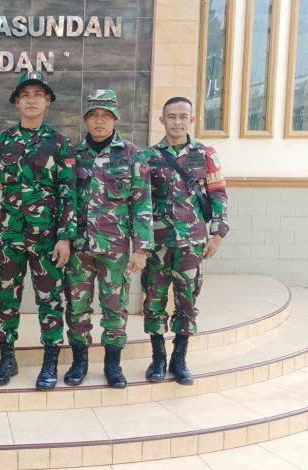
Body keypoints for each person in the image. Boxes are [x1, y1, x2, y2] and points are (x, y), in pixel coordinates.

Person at [0, 71, 77, 390]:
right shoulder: (2, 140)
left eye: (38, 94)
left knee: (50, 299)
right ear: (17, 101)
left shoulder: (60, 143)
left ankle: (50, 361)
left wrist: (65, 236)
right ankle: (7, 357)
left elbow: (67, 191)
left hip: (48, 238)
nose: (31, 99)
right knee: (6, 297)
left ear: (47, 101)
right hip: (9, 236)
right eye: (25, 94)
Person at [64, 90, 153, 389]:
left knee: (115, 306)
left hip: (115, 249)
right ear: (86, 119)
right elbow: (63, 201)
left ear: (115, 118)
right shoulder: (72, 154)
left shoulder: (132, 155)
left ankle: (113, 365)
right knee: (77, 306)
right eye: (94, 116)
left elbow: (142, 203)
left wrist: (141, 249)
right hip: (79, 248)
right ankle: (79, 362)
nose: (99, 121)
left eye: (105, 116)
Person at [141, 96, 229, 385]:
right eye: (171, 116)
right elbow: (139, 201)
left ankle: (179, 360)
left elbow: (217, 193)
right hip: (157, 243)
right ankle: (158, 358)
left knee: (187, 302)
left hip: (191, 242)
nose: (177, 121)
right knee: (153, 300)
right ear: (162, 120)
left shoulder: (205, 153)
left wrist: (217, 234)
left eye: (182, 116)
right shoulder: (148, 157)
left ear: (191, 120)